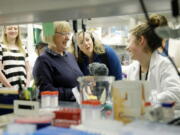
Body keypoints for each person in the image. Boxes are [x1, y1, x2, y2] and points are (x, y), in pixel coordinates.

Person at [126, 15, 180, 105]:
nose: (127, 47)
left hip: (162, 117)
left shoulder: (165, 65)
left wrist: (147, 100)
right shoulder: (132, 68)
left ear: (141, 40)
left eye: (129, 41)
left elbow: (176, 94)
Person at [33, 21, 83, 101]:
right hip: (59, 110)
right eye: (63, 33)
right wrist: (76, 92)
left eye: (68, 33)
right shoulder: (43, 61)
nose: (68, 38)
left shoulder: (70, 56)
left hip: (76, 106)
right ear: (51, 36)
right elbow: (46, 91)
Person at [0, 25, 31, 115]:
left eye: (15, 28)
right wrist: (11, 88)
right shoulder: (1, 47)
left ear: (18, 31)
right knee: (7, 119)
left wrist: (27, 86)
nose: (13, 30)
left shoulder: (23, 48)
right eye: (10, 28)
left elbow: (28, 69)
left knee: (23, 117)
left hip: (22, 92)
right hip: (7, 91)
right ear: (5, 31)